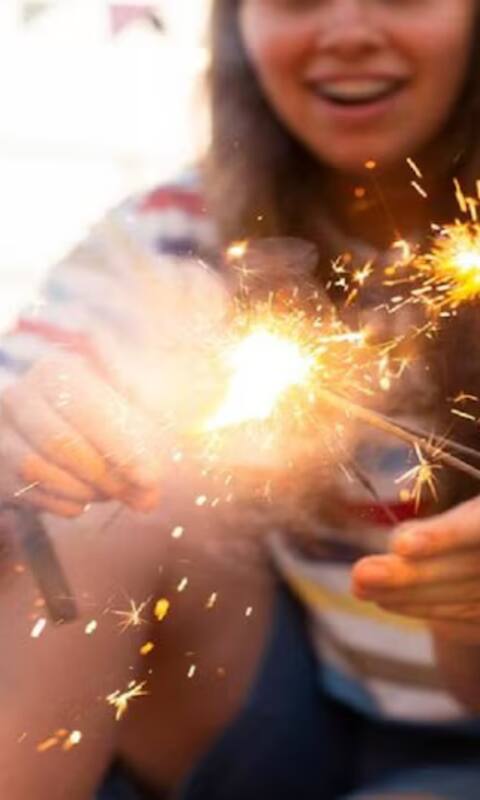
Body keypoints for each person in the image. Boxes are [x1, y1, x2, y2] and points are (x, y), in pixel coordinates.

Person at [1, 1, 480, 798]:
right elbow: (21, 400)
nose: (348, 30)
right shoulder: (178, 235)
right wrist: (20, 433)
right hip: (277, 708)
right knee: (69, 498)